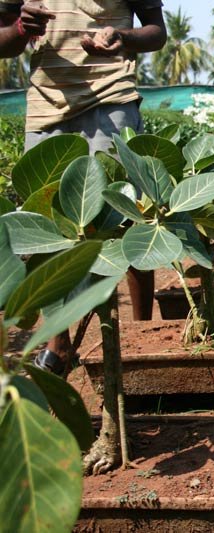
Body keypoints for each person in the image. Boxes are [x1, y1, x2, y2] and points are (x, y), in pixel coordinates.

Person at [0, 0, 167, 375]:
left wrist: (121, 36)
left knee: (129, 216)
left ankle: (143, 339)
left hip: (112, 99)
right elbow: (4, 41)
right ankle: (58, 344)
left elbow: (157, 31)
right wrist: (23, 29)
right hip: (46, 108)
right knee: (49, 228)